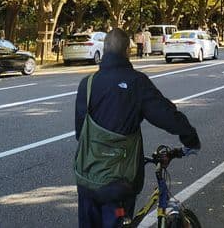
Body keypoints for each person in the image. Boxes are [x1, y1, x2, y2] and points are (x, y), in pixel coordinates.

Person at [74, 28, 200, 228]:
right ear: (127, 50)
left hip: (87, 178)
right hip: (118, 181)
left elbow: (80, 131)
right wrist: (190, 138)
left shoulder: (87, 84)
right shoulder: (136, 83)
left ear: (104, 50)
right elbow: (165, 115)